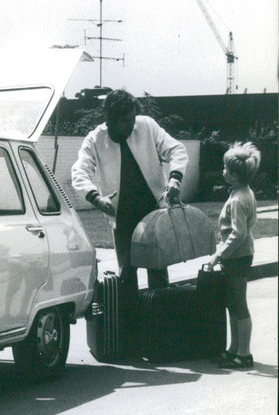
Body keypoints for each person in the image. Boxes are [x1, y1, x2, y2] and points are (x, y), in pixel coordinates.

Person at [71, 89, 188, 290]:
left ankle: (160, 317)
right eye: (125, 120)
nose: (132, 124)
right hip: (122, 218)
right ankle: (131, 319)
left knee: (158, 273)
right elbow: (79, 172)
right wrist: (96, 198)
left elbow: (177, 150)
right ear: (110, 119)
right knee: (126, 276)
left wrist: (175, 179)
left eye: (133, 118)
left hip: (153, 213)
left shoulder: (146, 126)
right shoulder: (94, 139)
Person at [209, 142, 261, 369]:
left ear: (235, 176)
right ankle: (234, 349)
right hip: (239, 255)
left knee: (239, 305)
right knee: (233, 303)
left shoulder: (239, 199)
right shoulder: (244, 192)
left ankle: (244, 354)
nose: (223, 171)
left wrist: (219, 254)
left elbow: (238, 233)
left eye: (225, 169)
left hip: (237, 257)